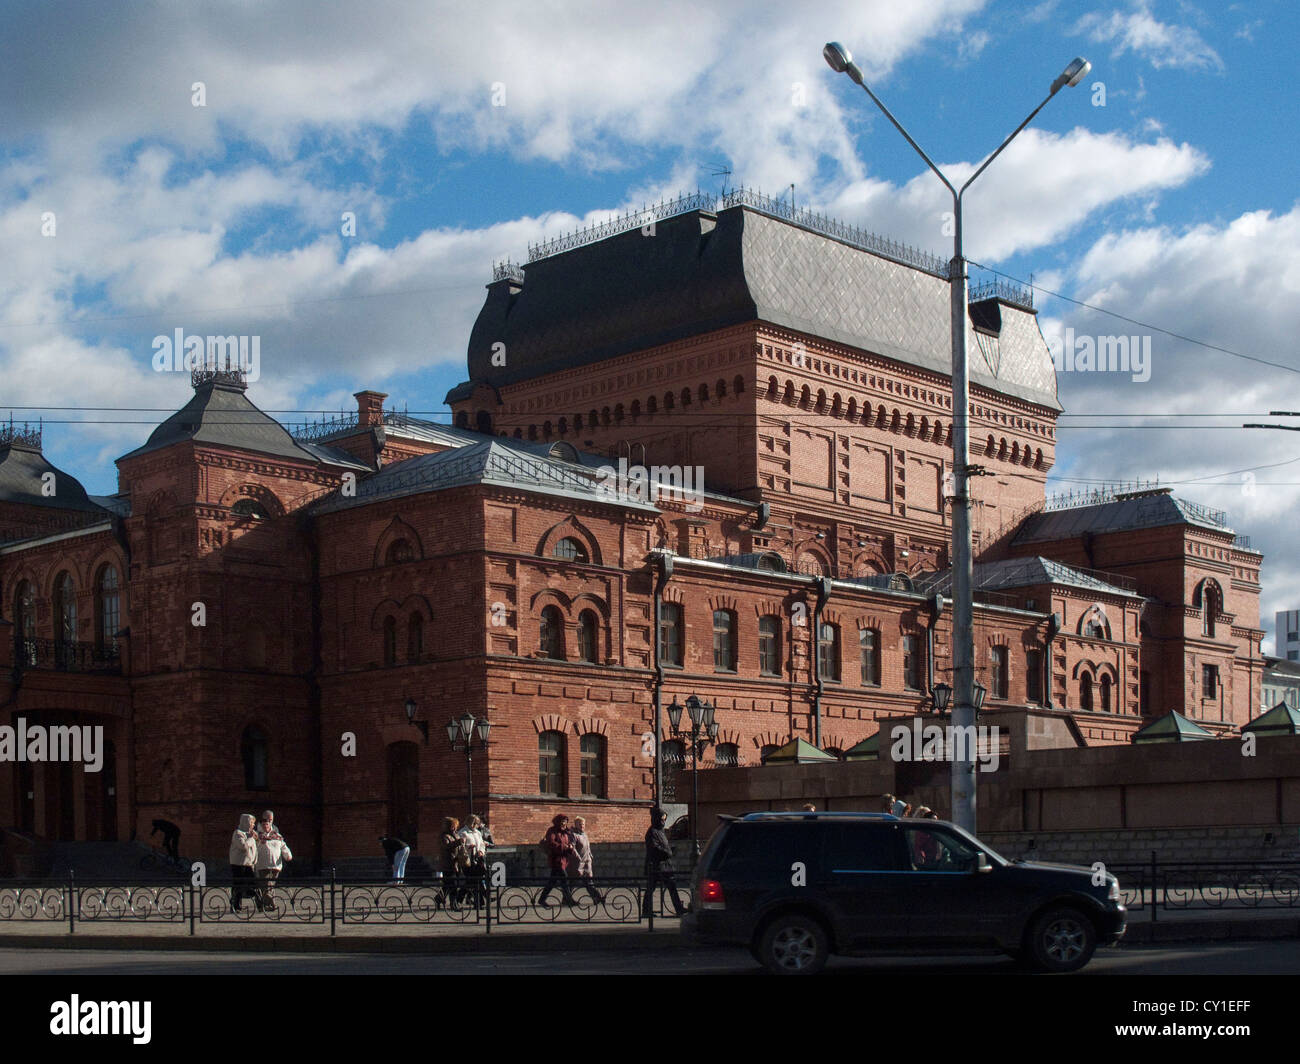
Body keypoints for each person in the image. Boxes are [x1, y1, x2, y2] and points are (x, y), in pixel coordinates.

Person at [641, 807, 686, 917]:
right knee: (651, 888)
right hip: (656, 866)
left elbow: (663, 846)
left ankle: (678, 908)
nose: (663, 822)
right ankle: (646, 911)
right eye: (661, 819)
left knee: (671, 887)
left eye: (664, 819)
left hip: (664, 866)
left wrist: (670, 850)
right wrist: (667, 852)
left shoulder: (659, 831)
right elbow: (655, 849)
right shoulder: (652, 832)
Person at [254, 810, 292, 912]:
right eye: (265, 822)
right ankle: (272, 905)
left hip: (276, 865)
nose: (267, 824)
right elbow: (252, 848)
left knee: (270, 887)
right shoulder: (257, 835)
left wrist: (287, 855)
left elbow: (283, 846)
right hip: (263, 865)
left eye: (270, 821)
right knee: (266, 886)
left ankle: (262, 905)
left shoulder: (276, 834)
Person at [537, 813, 577, 908]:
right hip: (556, 859)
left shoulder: (567, 832)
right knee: (564, 878)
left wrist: (570, 847)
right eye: (562, 821)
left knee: (552, 881)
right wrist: (565, 847)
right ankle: (569, 899)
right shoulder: (552, 831)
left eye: (565, 821)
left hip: (563, 860)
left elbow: (570, 843)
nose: (564, 824)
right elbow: (551, 843)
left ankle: (542, 899)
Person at [228, 813, 258, 913]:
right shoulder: (238, 833)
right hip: (238, 864)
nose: (253, 825)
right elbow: (243, 846)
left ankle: (260, 905)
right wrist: (251, 838)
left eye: (254, 823)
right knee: (238, 885)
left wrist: (256, 839)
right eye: (252, 822)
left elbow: (254, 847)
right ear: (246, 822)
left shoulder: (251, 834)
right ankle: (235, 906)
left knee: (254, 884)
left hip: (249, 864)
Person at [570, 816, 603, 905]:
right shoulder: (573, 835)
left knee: (588, 881)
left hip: (587, 861)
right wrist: (577, 857)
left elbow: (587, 847)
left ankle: (597, 897)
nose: (582, 826)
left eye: (583, 824)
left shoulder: (584, 834)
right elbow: (572, 847)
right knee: (573, 881)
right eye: (580, 824)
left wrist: (590, 856)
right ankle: (566, 897)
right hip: (578, 863)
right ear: (576, 824)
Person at [458, 815, 488, 906]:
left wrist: (481, 851)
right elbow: (460, 847)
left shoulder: (477, 833)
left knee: (474, 880)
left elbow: (481, 844)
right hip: (467, 860)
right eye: (473, 823)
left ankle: (477, 901)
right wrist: (468, 848)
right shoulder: (463, 832)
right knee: (472, 880)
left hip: (477, 859)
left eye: (477, 823)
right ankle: (480, 900)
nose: (475, 825)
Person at [440, 817, 466, 908]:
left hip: (457, 863)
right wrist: (458, 842)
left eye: (455, 826)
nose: (454, 828)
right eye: (452, 826)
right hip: (448, 864)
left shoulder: (456, 835)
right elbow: (447, 847)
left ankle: (438, 899)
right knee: (453, 885)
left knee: (448, 885)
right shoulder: (444, 836)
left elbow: (459, 848)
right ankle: (453, 904)